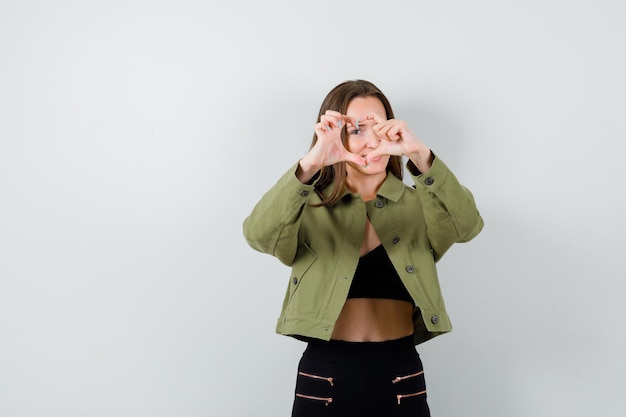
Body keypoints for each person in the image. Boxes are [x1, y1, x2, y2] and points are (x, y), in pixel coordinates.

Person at [242, 80, 483, 417]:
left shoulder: (421, 204)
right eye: (355, 130)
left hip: (400, 373)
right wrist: (311, 164)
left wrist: (421, 156)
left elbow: (468, 225)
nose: (372, 141)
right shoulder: (308, 206)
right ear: (335, 136)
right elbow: (258, 235)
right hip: (325, 374)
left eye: (381, 128)